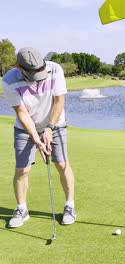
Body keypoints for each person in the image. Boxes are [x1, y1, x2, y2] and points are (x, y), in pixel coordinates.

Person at [1, 47, 76, 228]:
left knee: (62, 164)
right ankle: (21, 209)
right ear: (19, 67)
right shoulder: (9, 80)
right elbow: (22, 112)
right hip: (25, 127)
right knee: (22, 170)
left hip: (55, 123)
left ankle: (69, 206)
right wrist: (37, 138)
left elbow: (59, 102)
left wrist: (49, 129)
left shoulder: (55, 69)